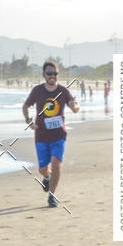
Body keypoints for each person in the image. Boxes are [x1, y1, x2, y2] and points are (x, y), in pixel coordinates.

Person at [22, 62, 79, 207]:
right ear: (43, 75)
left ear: (58, 75)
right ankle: (46, 177)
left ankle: (52, 196)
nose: (52, 76)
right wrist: (29, 122)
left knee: (56, 164)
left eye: (55, 73)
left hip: (59, 135)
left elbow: (74, 106)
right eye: (49, 73)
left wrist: (75, 107)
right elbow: (25, 106)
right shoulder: (37, 90)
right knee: (42, 169)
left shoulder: (63, 91)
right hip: (41, 135)